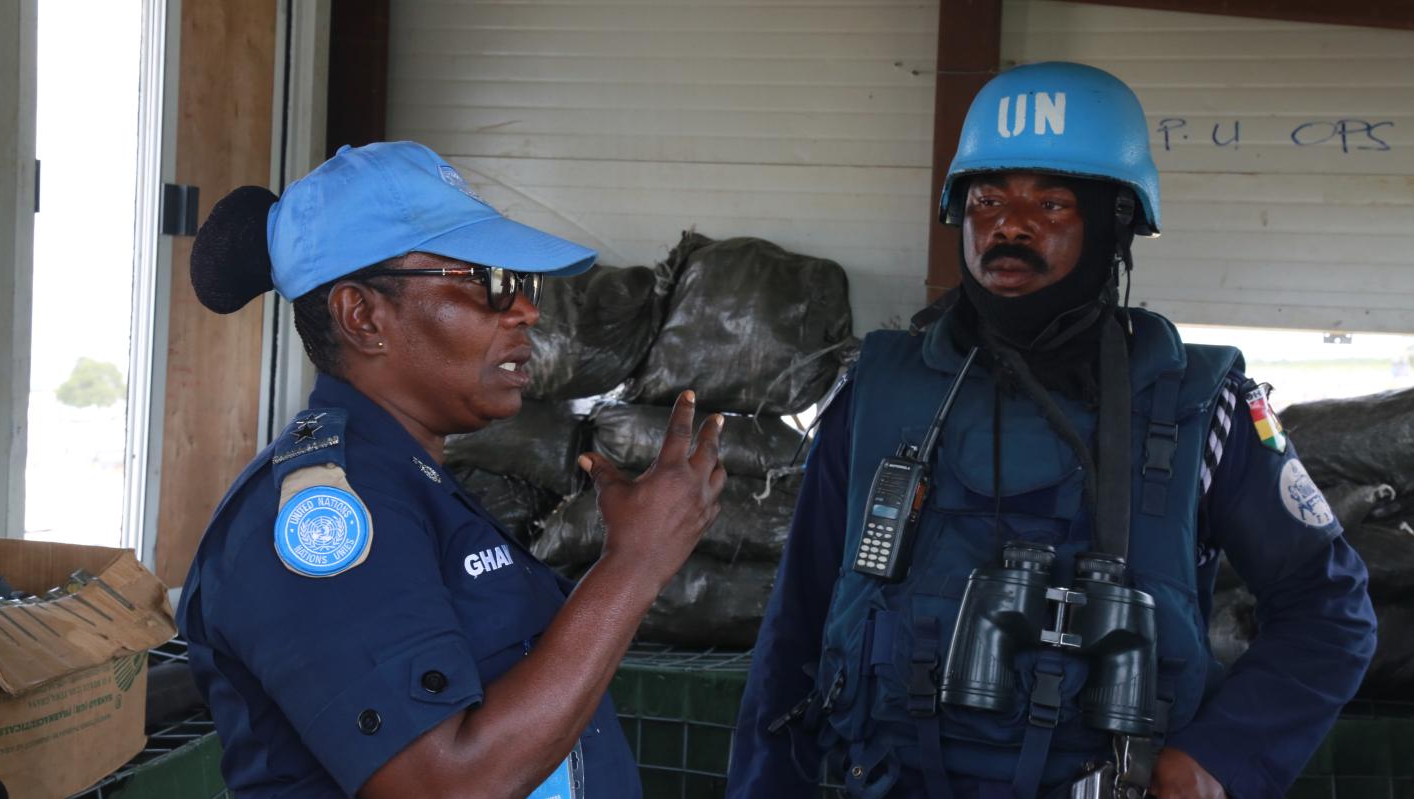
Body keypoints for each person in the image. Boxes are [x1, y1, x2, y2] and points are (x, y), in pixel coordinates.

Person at [727, 62, 1377, 799]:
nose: (1010, 225)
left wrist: (1218, 758)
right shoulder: (878, 392)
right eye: (987, 199)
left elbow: (1330, 611)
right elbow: (797, 621)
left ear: (1114, 222)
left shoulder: (1202, 406)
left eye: (1052, 203)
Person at [177, 141, 727, 798]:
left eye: (521, 283)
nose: (526, 310)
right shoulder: (324, 518)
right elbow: (444, 785)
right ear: (363, 317)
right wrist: (634, 564)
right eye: (486, 281)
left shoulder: (414, 485)